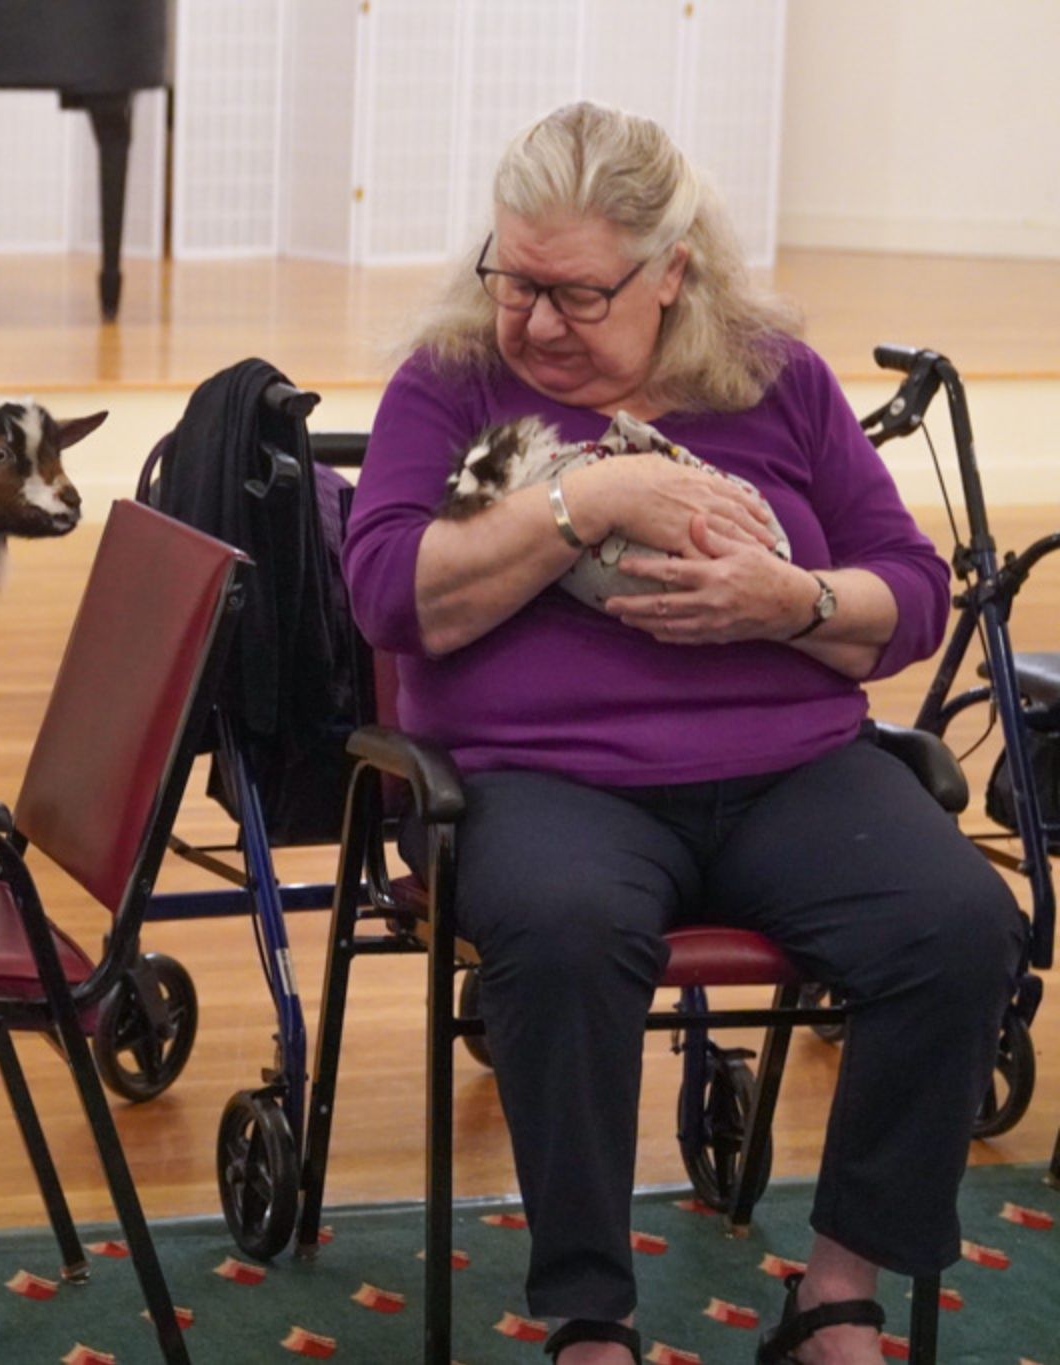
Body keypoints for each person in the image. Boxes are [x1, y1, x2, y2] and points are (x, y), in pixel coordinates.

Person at [344, 102, 1026, 1365]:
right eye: (512, 281)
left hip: (791, 771)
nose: (535, 322)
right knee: (562, 932)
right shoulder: (447, 385)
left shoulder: (775, 377)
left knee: (957, 923)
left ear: (670, 273)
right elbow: (386, 592)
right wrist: (584, 494)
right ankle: (589, 1317)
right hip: (541, 782)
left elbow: (911, 591)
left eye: (576, 293)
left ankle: (835, 1289)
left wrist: (794, 603)